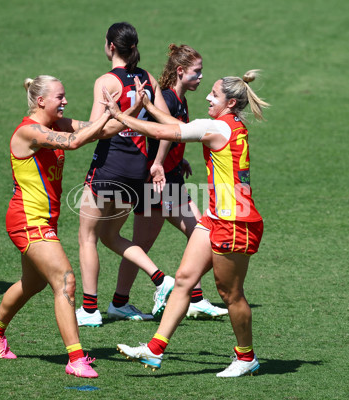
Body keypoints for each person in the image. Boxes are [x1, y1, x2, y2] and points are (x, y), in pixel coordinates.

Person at [108, 70, 270, 377]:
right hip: (215, 218)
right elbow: (178, 127)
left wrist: (121, 116)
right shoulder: (225, 124)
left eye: (214, 95)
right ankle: (155, 351)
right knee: (183, 280)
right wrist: (149, 105)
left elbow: (163, 134)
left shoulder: (216, 127)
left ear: (230, 102)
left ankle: (246, 357)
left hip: (234, 222)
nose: (208, 98)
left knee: (230, 294)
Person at [0, 75, 125, 378]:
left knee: (33, 284)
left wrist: (134, 112)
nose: (66, 101)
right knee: (66, 281)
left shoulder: (58, 124)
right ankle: (76, 358)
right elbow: (75, 142)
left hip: (43, 220)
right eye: (60, 97)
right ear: (41, 100)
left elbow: (103, 131)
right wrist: (110, 115)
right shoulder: (29, 132)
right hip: (28, 220)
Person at [112, 44, 228, 320]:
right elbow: (164, 134)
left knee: (153, 242)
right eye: (196, 73)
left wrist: (177, 159)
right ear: (180, 71)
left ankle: (121, 302)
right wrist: (158, 163)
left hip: (168, 178)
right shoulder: (169, 98)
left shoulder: (178, 98)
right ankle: (188, 299)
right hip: (158, 181)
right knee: (198, 233)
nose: (201, 78)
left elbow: (178, 135)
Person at [76, 22, 175, 327]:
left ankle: (90, 310)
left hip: (109, 166)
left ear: (110, 46)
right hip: (137, 170)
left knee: (87, 237)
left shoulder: (106, 81)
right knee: (110, 235)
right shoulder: (147, 80)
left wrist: (123, 114)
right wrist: (158, 161)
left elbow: (98, 130)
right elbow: (168, 126)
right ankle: (160, 279)